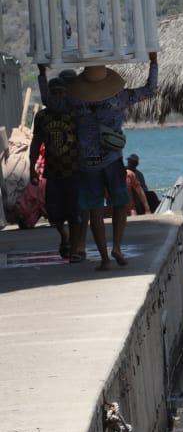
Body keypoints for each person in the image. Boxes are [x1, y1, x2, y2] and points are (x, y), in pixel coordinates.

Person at [45, 55, 157, 271]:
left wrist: (42, 74)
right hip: (113, 159)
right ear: (106, 79)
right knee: (120, 204)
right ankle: (116, 246)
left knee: (95, 211)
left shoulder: (75, 100)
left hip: (87, 163)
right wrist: (154, 64)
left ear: (84, 81)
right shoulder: (119, 97)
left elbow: (50, 102)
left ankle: (105, 259)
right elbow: (150, 90)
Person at [28, 75, 85, 261]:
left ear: (66, 93)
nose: (58, 96)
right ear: (49, 95)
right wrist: (31, 167)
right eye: (55, 93)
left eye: (61, 92)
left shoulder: (73, 113)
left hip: (74, 171)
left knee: (75, 213)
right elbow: (36, 142)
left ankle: (75, 249)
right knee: (54, 215)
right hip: (52, 172)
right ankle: (65, 237)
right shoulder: (42, 117)